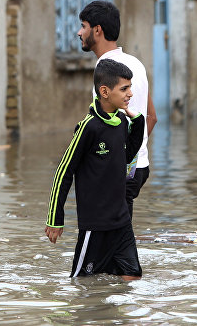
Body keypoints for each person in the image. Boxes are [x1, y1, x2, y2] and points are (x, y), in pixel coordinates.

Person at [45, 59, 146, 280]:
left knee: (132, 277)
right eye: (124, 89)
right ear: (105, 92)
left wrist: (138, 124)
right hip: (96, 225)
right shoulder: (88, 127)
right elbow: (64, 171)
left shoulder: (121, 121)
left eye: (130, 88)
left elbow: (127, 157)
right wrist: (55, 217)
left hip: (122, 222)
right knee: (82, 284)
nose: (130, 94)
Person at [77, 0, 157, 218]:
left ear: (97, 30)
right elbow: (151, 117)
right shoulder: (136, 64)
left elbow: (106, 129)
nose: (79, 32)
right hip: (140, 167)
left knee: (108, 231)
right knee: (120, 231)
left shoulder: (105, 72)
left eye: (83, 26)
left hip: (117, 172)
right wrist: (136, 152)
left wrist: (117, 163)